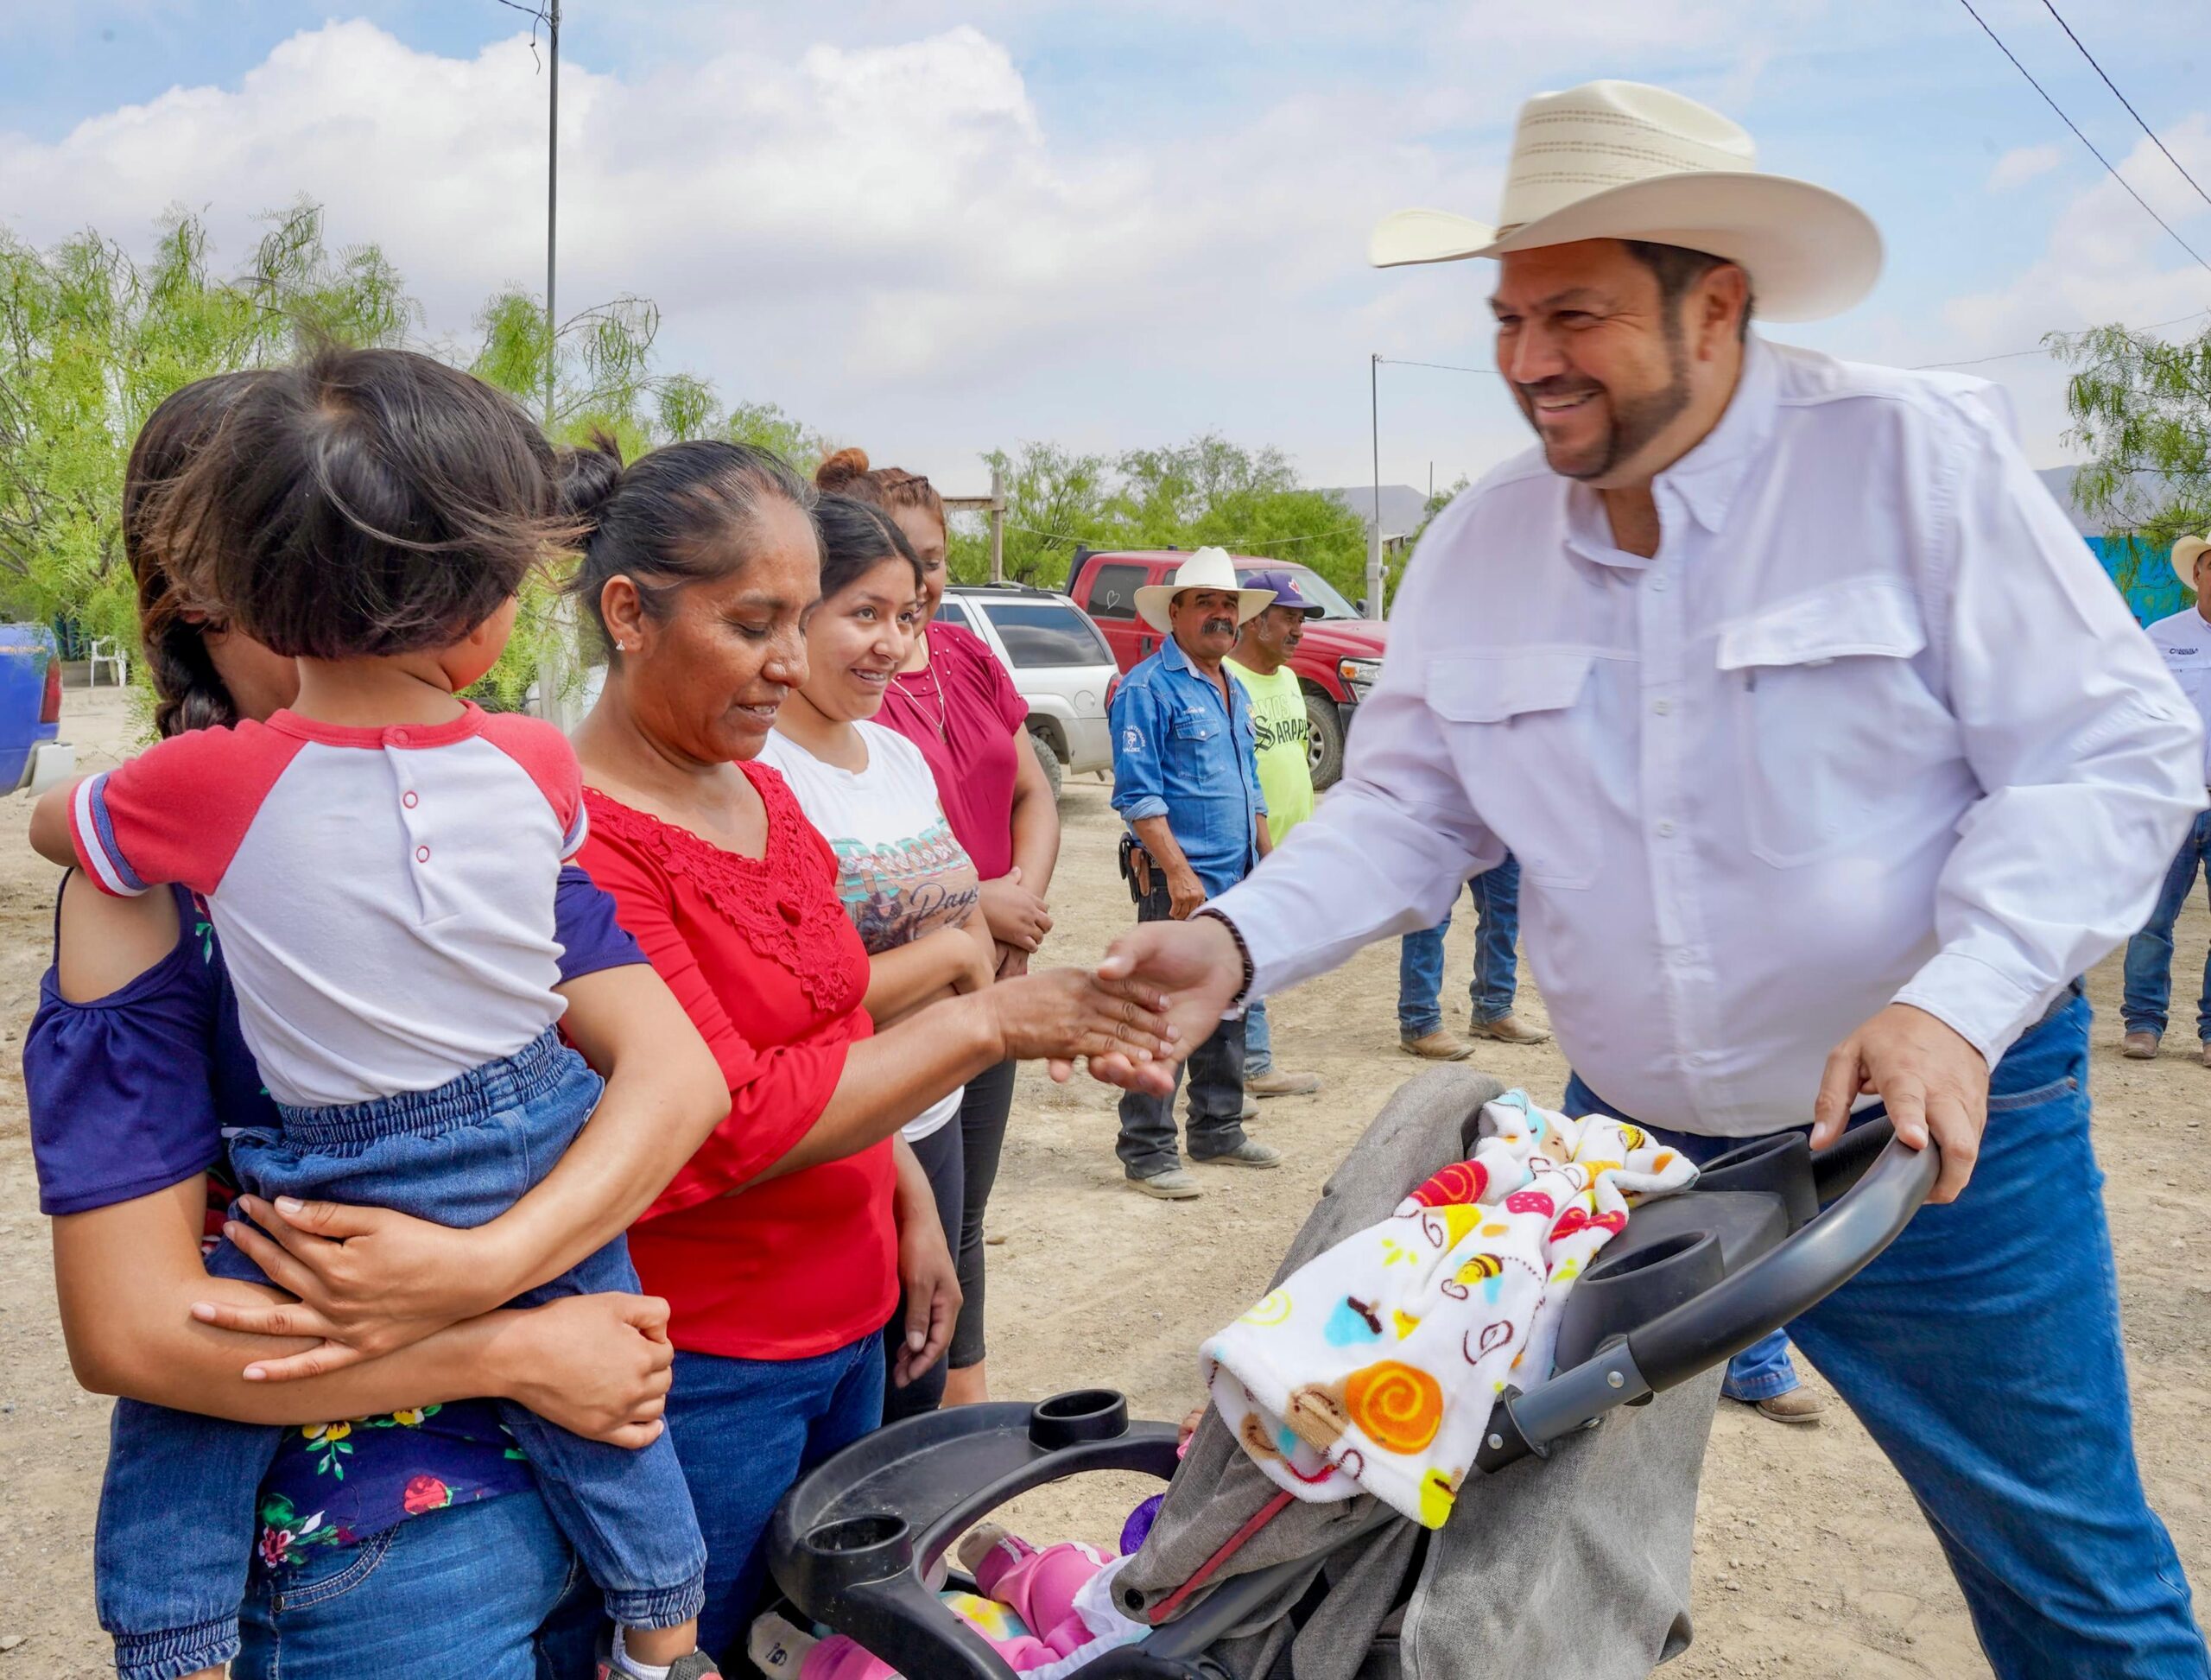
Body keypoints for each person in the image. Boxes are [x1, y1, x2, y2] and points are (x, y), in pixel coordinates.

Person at [1089, 80, 2208, 1677]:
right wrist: (1237, 942)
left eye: (1579, 313)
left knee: (2067, 1569)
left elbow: (2112, 755)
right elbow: (1410, 805)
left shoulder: (1911, 465)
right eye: (1510, 317)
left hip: (1931, 1136)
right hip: (1623, 1150)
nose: (1532, 357)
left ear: (1718, 303)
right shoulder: (1483, 544)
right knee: (1494, 1546)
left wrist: (1953, 1007)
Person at [30, 352, 732, 1680]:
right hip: (385, 1567)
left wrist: (483, 1263)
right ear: (202, 593)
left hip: (560, 1502)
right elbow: (131, 1331)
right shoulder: (145, 892)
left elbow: (679, 1076)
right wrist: (515, 1343)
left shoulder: (475, 797)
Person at [562, 436, 1171, 1660]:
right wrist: (987, 1015)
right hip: (712, 1352)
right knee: (736, 1639)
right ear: (628, 612)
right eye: (754, 624)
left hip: (849, 1315)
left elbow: (828, 1015)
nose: (790, 665)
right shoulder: (585, 841)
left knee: (848, 1640)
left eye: (800, 620)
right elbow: (719, 1116)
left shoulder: (758, 792)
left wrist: (908, 1207)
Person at [816, 447, 1057, 1409]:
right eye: (869, 601)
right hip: (885, 1047)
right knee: (875, 1287)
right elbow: (796, 993)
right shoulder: (782, 759)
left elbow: (1031, 787)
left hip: (976, 1000)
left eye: (930, 563)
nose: (921, 587)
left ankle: (953, 1462)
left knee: (952, 1234)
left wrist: (1012, 911)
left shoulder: (941, 684)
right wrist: (968, 936)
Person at [758, 495, 997, 1423]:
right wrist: (950, 959)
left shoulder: (895, 753)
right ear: (796, 614)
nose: (890, 644)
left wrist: (959, 964)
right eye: (863, 614)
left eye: (905, 617)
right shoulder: (763, 769)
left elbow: (966, 905)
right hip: (845, 1122)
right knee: (861, 1397)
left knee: (924, 1364)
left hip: (935, 1099)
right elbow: (802, 995)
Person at [1108, 548, 1283, 1199]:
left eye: (1229, 604)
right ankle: (1147, 1147)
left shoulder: (1230, 685)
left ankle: (1217, 1126)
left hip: (1238, 878)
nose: (1221, 614)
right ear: (1173, 613)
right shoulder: (1148, 688)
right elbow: (1139, 796)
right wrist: (1178, 872)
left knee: (1229, 1003)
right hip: (1181, 887)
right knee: (1164, 1012)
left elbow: (1251, 783)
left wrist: (1267, 861)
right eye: (1206, 602)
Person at [1225, 569, 1325, 1100]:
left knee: (1257, 950)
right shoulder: (1227, 680)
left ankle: (1248, 1062)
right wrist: (1263, 845)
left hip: (1287, 846)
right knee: (1249, 950)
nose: (1298, 630)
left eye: (1301, 619)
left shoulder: (1287, 680)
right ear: (1255, 620)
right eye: (1288, 617)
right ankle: (1254, 1066)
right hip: (1248, 846)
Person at [2122, 531, 2211, 1065]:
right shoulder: (2161, 638)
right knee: (2152, 919)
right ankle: (2143, 1023)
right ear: (2197, 574)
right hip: (2170, 803)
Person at [1395, 856, 1552, 1058]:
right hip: (1443, 827)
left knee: (1504, 905)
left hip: (1498, 827)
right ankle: (1419, 1022)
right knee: (1432, 912)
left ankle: (1493, 1008)